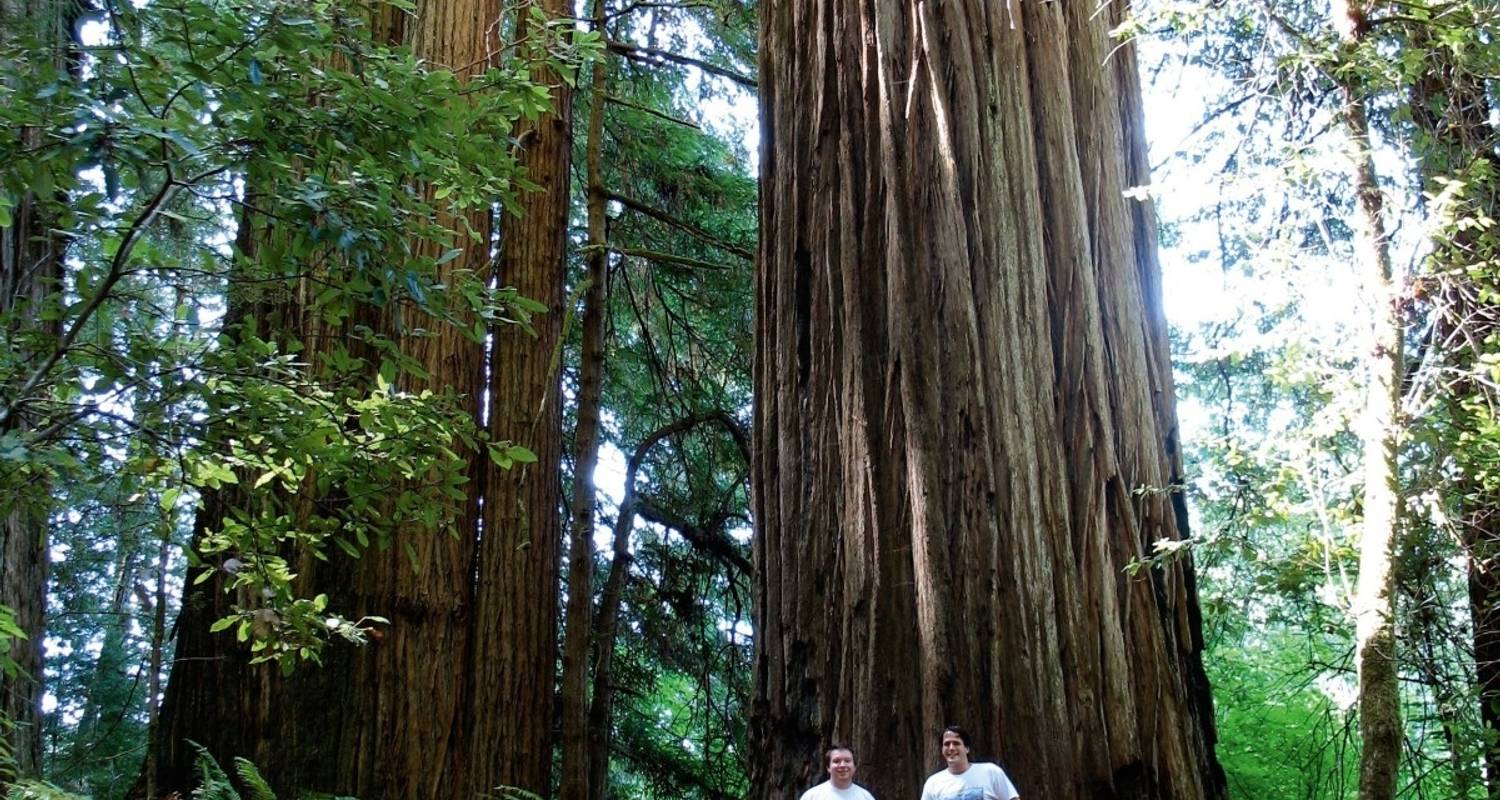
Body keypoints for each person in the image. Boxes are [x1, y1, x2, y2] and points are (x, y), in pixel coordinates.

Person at [918, 726, 1020, 800]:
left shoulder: (990, 772)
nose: (951, 748)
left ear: (967, 749)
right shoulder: (933, 783)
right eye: (946, 744)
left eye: (956, 743)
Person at [799, 745, 877, 800]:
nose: (842, 765)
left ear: (854, 767)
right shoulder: (811, 796)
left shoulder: (866, 797)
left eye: (847, 761)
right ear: (828, 768)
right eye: (836, 761)